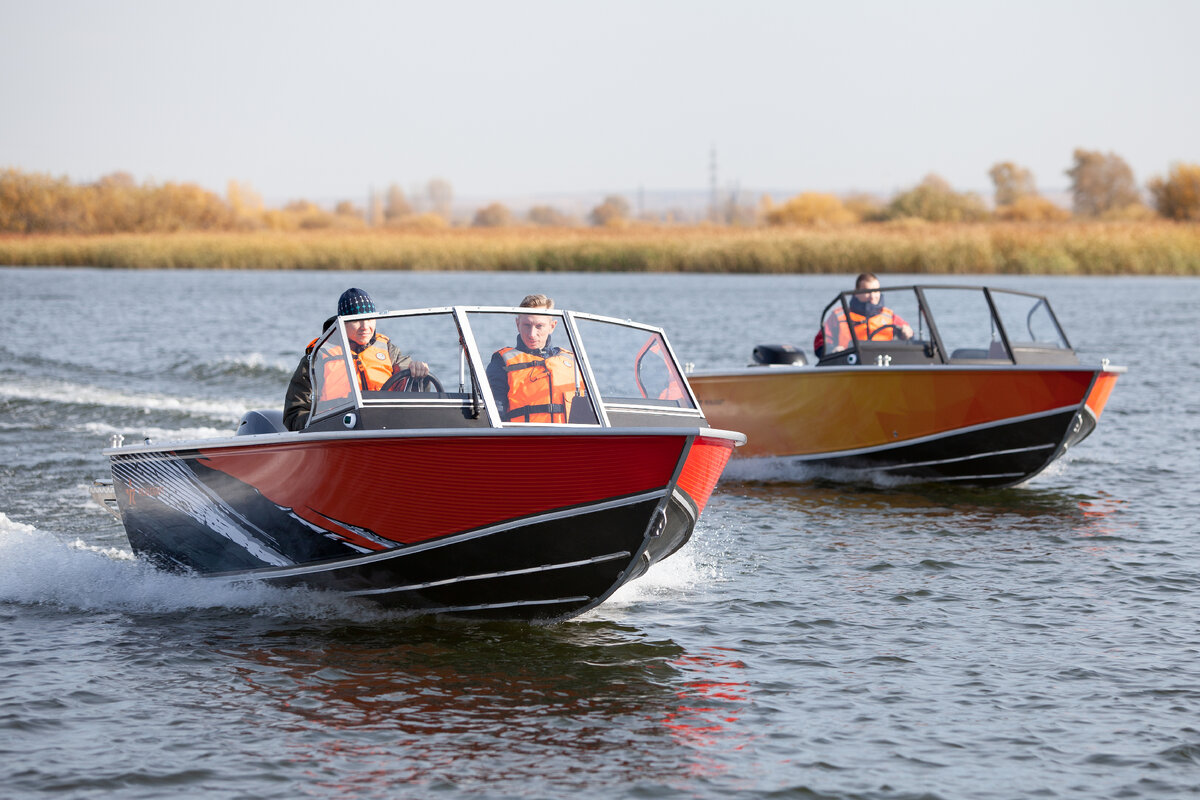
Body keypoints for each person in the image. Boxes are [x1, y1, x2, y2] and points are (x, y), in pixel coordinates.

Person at [282, 288, 429, 431]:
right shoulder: (317, 358)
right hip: (337, 435)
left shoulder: (390, 351)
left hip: (386, 428)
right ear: (342, 322)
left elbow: (414, 395)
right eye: (356, 320)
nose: (365, 327)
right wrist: (323, 425)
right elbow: (294, 414)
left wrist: (419, 376)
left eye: (370, 318)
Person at [486, 294, 586, 423]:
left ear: (552, 326)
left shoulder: (573, 361)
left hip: (567, 439)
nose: (532, 334)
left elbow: (588, 411)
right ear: (518, 324)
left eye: (539, 326)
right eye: (527, 325)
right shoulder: (501, 362)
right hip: (525, 438)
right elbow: (494, 413)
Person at [816, 272, 914, 356]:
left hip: (883, 364)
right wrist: (833, 351)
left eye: (876, 291)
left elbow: (911, 338)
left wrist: (907, 334)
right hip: (849, 365)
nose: (873, 296)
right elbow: (819, 343)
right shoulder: (839, 316)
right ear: (856, 292)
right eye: (867, 292)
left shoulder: (890, 316)